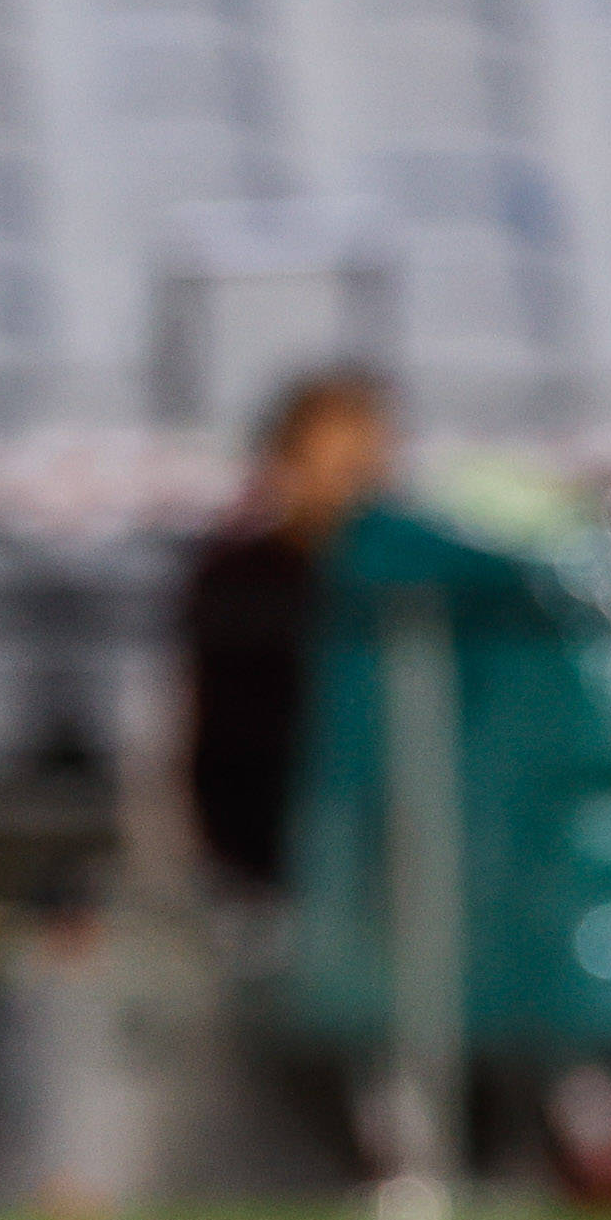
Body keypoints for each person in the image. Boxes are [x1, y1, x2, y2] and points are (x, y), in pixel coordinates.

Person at [179, 368, 391, 896]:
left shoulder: (398, 584)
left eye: (367, 463)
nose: (358, 483)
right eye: (341, 463)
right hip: (268, 847)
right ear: (288, 463)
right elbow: (222, 730)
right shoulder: (241, 578)